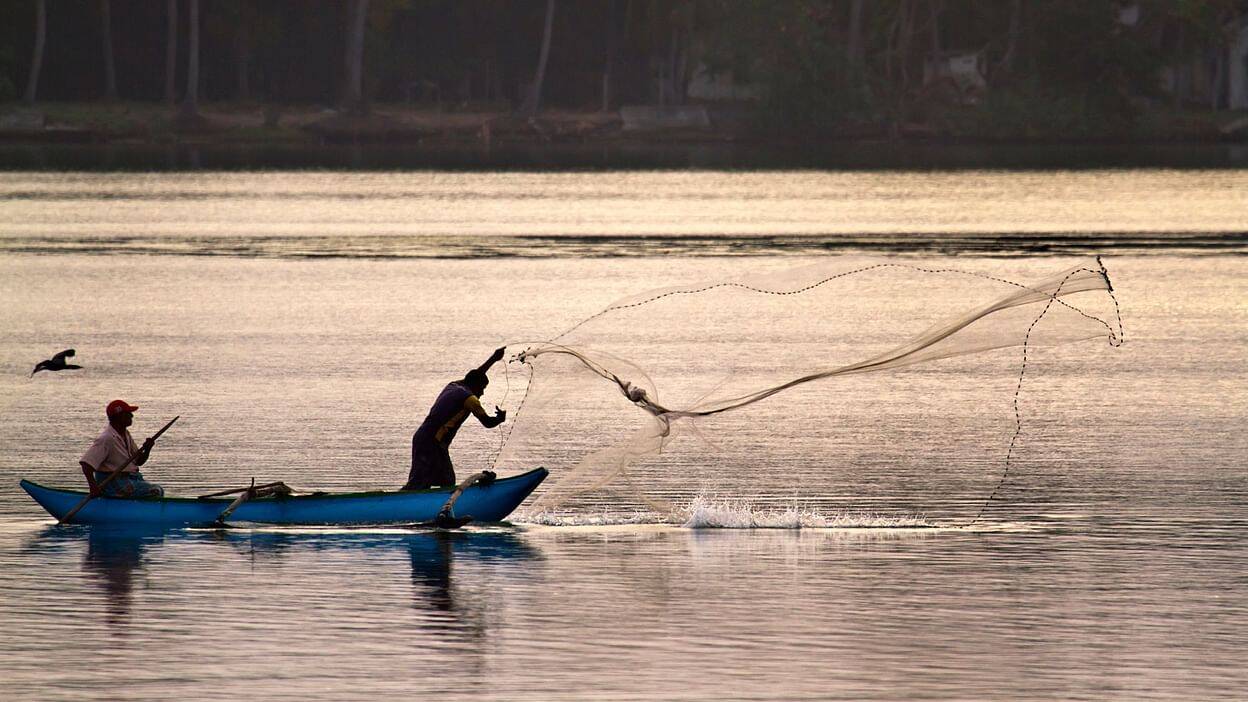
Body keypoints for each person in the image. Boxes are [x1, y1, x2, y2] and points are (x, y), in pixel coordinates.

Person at [404, 347, 507, 491]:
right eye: (482, 388)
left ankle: (435, 508)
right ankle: (394, 508)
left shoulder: (454, 385)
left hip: (423, 438)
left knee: (437, 480)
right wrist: (500, 419)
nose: (482, 393)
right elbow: (487, 423)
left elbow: (474, 375)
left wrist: (493, 359)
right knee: (431, 482)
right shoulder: (470, 399)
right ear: (476, 385)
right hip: (432, 443)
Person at [79, 399, 164, 498]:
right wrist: (93, 487)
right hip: (113, 483)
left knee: (158, 490)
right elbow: (86, 465)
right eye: (128, 414)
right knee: (155, 491)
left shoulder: (126, 434)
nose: (131, 416)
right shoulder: (107, 439)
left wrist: (147, 449)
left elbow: (138, 461)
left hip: (131, 478)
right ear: (119, 417)